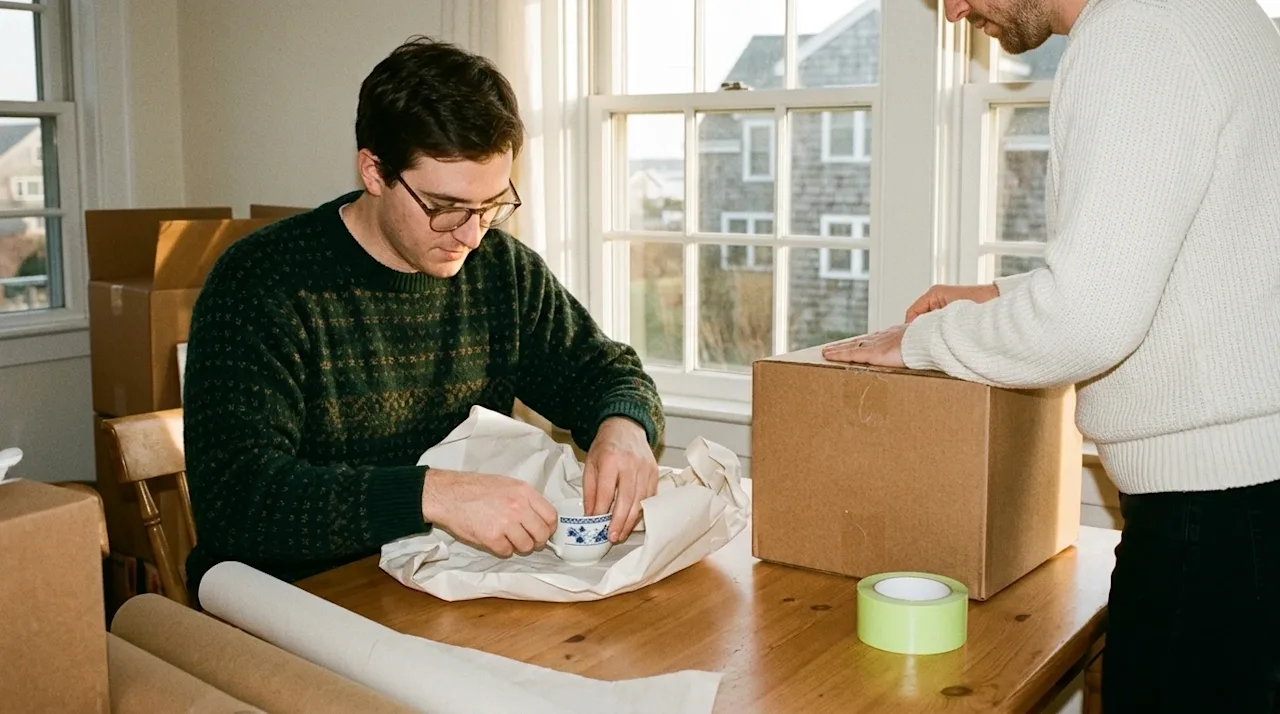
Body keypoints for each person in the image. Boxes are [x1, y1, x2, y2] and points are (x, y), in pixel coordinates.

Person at [823, 0, 1280, 711]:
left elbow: (1087, 322)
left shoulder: (1133, 35)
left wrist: (920, 344)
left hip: (1214, 522)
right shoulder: (1204, 14)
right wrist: (999, 295)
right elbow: (1200, 258)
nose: (954, 10)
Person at [181, 37, 664, 601]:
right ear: (374, 172)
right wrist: (433, 496)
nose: (472, 234)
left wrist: (624, 426)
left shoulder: (501, 271)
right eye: (445, 207)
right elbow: (236, 501)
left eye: (491, 205)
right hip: (293, 600)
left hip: (436, 584)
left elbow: (605, 372)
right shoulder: (260, 284)